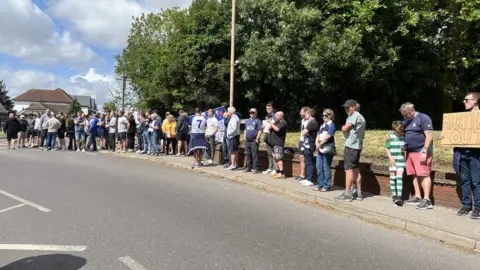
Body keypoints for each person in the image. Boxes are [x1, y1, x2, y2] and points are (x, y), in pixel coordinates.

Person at [399, 102, 434, 210]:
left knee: (424, 174)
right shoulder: (406, 121)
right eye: (403, 115)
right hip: (410, 152)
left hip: (421, 151)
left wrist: (425, 151)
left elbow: (429, 135)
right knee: (414, 174)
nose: (405, 117)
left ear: (412, 110)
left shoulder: (423, 118)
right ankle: (418, 197)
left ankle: (427, 200)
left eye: (407, 115)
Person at [453, 92, 480, 219]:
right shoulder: (462, 118)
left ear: (475, 101)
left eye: (466, 100)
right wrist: (446, 136)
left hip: (476, 154)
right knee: (464, 180)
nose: (464, 102)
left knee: (477, 181)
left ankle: (478, 209)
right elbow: (454, 133)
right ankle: (466, 206)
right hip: (463, 152)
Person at [335, 99, 366, 202]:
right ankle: (359, 193)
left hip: (351, 146)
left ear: (353, 106)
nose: (346, 109)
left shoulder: (354, 116)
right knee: (356, 169)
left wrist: (343, 127)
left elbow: (345, 128)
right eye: (345, 107)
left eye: (348, 107)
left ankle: (347, 193)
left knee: (348, 170)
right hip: (356, 146)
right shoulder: (359, 116)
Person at [314, 109, 336, 192]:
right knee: (319, 167)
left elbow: (328, 136)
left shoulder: (332, 125)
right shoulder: (322, 125)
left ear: (330, 116)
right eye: (323, 115)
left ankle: (326, 186)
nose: (323, 117)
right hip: (320, 149)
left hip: (327, 149)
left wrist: (320, 143)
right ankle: (319, 184)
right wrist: (316, 142)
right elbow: (318, 134)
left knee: (326, 167)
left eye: (325, 115)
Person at [386, 121, 406, 207]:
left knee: (399, 177)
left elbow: (405, 149)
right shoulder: (390, 136)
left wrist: (404, 150)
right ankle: (394, 194)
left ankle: (399, 196)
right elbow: (387, 148)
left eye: (400, 131)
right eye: (397, 131)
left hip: (400, 160)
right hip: (392, 161)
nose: (399, 133)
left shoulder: (404, 137)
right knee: (392, 177)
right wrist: (390, 158)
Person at [299, 108, 319, 187]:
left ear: (309, 114)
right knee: (307, 162)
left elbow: (303, 132)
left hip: (310, 145)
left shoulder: (312, 122)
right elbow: (304, 132)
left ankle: (310, 179)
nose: (305, 115)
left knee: (309, 163)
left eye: (306, 114)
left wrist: (305, 132)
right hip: (306, 144)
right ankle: (307, 178)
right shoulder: (310, 122)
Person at [268, 111, 288, 178]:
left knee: (279, 158)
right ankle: (277, 171)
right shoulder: (277, 122)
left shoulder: (283, 122)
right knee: (275, 158)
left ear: (281, 116)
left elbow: (277, 129)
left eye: (276, 115)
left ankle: (282, 173)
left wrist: (271, 123)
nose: (275, 117)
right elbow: (272, 128)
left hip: (278, 143)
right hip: (273, 143)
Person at [244, 108, 262, 174]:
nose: (251, 113)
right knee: (248, 154)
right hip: (247, 140)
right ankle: (249, 167)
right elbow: (245, 130)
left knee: (255, 155)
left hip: (254, 140)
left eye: (253, 112)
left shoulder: (258, 121)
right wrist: (244, 138)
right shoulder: (247, 121)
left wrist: (257, 139)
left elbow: (260, 130)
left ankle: (256, 168)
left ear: (256, 113)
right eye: (250, 112)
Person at [263, 102, 277, 175]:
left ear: (272, 108)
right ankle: (270, 168)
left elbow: (273, 125)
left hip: (272, 136)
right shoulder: (267, 116)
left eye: (270, 108)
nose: (268, 109)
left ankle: (275, 169)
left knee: (273, 153)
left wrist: (269, 127)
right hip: (267, 136)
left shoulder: (274, 116)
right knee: (269, 153)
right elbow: (266, 126)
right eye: (267, 108)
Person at [296, 107, 310, 181]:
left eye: (301, 112)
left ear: (305, 112)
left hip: (307, 142)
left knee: (306, 159)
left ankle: (308, 176)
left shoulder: (309, 121)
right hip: (301, 141)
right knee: (301, 158)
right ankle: (302, 175)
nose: (300, 113)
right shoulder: (302, 120)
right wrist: (299, 140)